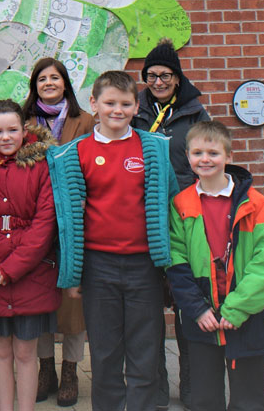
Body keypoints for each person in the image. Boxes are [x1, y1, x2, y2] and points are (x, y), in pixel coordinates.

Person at [47, 71, 178, 411]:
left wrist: (171, 266)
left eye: (125, 104)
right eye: (109, 103)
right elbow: (66, 222)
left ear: (136, 106)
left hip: (144, 266)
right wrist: (73, 274)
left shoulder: (154, 149)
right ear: (94, 104)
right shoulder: (74, 155)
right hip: (98, 268)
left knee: (145, 352)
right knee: (105, 355)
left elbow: (172, 207)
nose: (116, 110)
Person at [167, 121, 264, 411]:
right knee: (204, 399)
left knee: (249, 399)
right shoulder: (181, 204)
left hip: (247, 314)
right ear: (188, 156)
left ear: (228, 156)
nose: (205, 159)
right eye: (197, 153)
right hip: (202, 316)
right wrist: (197, 309)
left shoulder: (257, 205)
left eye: (213, 153)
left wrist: (238, 309)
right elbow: (176, 263)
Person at [132, 38, 210, 410]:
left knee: (188, 303)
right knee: (147, 311)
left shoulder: (195, 114)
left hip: (186, 220)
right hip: (144, 219)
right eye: (151, 75)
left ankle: (194, 388)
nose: (158, 82)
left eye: (165, 75)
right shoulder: (135, 112)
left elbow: (208, 163)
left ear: (178, 78)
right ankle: (154, 392)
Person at [0, 100, 59, 411]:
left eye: (12, 130)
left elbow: (45, 223)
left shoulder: (41, 166)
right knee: (1, 351)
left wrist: (12, 267)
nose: (5, 137)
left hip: (30, 276)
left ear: (24, 130)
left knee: (25, 352)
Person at [22, 57, 95, 406]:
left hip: (73, 219)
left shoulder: (85, 121)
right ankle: (45, 367)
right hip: (34, 218)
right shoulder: (24, 123)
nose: (48, 83)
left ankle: (69, 370)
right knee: (39, 299)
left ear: (66, 83)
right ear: (34, 85)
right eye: (42, 79)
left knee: (72, 302)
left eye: (55, 77)